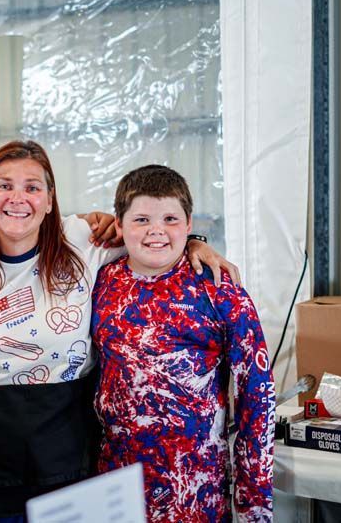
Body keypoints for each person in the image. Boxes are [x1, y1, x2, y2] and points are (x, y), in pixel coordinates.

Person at [0, 143, 240, 521]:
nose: (18, 198)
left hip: (69, 454)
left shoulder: (82, 240)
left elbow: (151, 234)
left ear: (51, 200)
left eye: (33, 187)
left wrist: (197, 242)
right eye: (4, 186)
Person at [91, 165, 275, 522]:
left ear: (190, 224)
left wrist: (254, 505)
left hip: (194, 489)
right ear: (120, 224)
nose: (156, 231)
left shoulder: (220, 290)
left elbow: (258, 395)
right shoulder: (101, 281)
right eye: (141, 219)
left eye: (170, 219)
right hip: (115, 483)